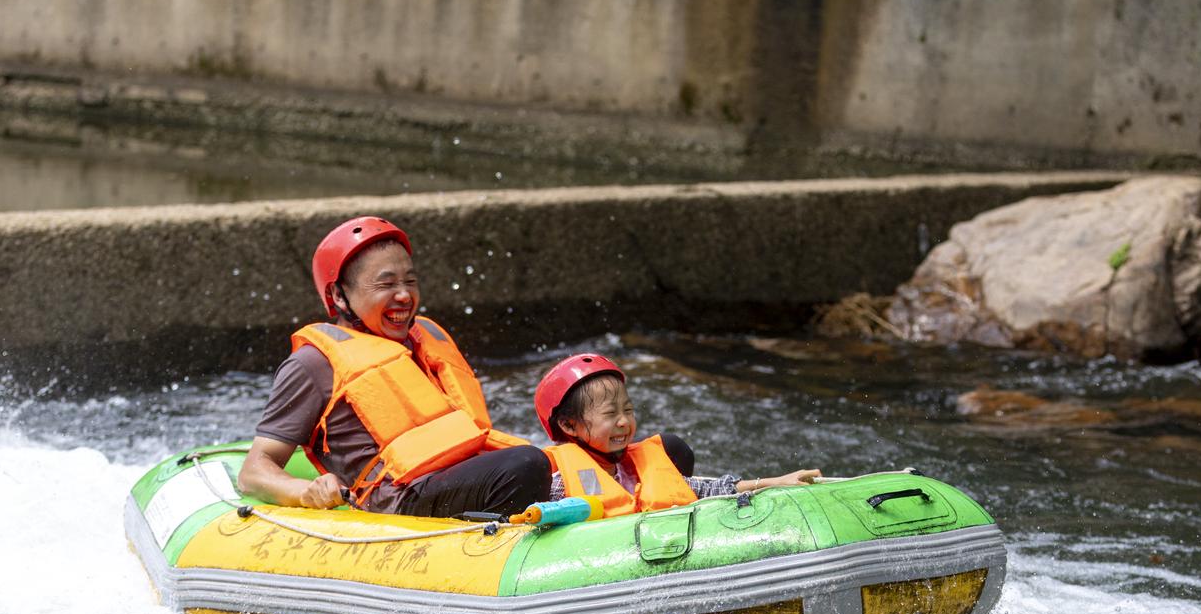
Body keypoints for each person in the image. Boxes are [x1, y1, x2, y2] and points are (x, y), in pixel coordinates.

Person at [238, 216, 550, 517]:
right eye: (385, 284)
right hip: (400, 498)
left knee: (562, 459)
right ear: (339, 295)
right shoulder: (313, 364)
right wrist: (305, 490)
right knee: (524, 464)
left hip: (453, 477)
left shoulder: (425, 340)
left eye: (410, 281)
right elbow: (254, 471)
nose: (404, 295)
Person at [533, 353, 820, 516]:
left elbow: (707, 490)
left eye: (628, 410)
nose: (624, 422)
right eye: (610, 415)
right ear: (569, 426)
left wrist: (777, 482)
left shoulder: (632, 468)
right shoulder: (559, 486)